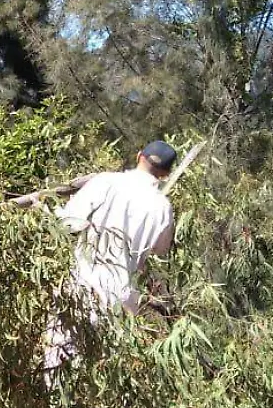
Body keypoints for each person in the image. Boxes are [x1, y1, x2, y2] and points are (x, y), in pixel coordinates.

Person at [44, 141, 176, 376]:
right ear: (166, 174)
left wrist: (44, 210)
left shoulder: (106, 181)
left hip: (82, 285)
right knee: (100, 371)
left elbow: (68, 222)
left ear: (139, 156)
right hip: (121, 299)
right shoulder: (162, 207)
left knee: (58, 360)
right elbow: (160, 249)